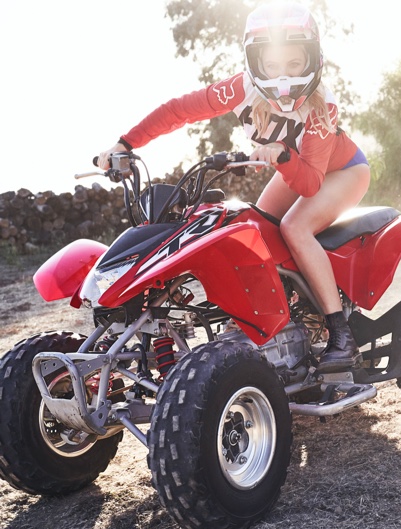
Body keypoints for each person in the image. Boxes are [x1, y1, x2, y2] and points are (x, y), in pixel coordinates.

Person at [96, 2, 369, 372]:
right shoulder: (240, 88)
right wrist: (126, 144)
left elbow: (309, 183)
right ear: (254, 61)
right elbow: (180, 110)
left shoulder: (321, 108)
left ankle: (341, 333)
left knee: (294, 227)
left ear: (313, 58)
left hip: (341, 172)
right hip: (295, 168)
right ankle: (273, 319)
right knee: (253, 228)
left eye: (293, 63)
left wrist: (281, 156)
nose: (282, 75)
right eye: (271, 64)